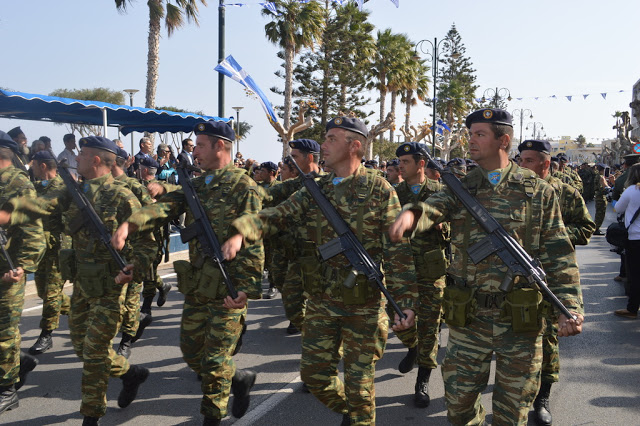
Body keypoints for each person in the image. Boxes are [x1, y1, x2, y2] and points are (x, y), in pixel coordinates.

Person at [389, 108, 584, 426]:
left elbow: (559, 256)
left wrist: (569, 307)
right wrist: (412, 215)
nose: (471, 141)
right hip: (469, 321)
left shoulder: (538, 192)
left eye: (479, 134)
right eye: (470, 135)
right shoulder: (461, 189)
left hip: (520, 323)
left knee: (512, 413)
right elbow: (433, 207)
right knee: (460, 408)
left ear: (503, 140)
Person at [221, 116, 417, 425]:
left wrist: (404, 302)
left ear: (355, 146)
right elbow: (276, 215)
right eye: (324, 138)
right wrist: (241, 230)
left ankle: (359, 416)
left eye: (331, 139)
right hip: (322, 300)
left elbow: (398, 252)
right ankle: (355, 414)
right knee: (314, 377)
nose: (323, 145)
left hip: (364, 305)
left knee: (360, 385)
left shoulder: (379, 189)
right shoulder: (315, 188)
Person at [111, 121, 263, 425]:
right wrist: (130, 224)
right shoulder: (196, 185)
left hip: (228, 287)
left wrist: (247, 287)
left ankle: (212, 417)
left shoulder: (243, 186)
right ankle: (240, 378)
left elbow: (255, 233)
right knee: (193, 353)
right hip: (198, 286)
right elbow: (162, 209)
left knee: (216, 362)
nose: (195, 152)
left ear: (220, 146)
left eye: (201, 146)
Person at [0, 136, 155, 425]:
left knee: (94, 354)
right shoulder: (71, 192)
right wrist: (9, 212)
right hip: (81, 285)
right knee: (84, 349)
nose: (76, 158)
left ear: (95, 160)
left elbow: (148, 242)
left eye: (81, 154)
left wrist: (134, 266)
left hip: (111, 286)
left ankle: (91, 416)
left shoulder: (122, 196)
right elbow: (40, 205)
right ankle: (131, 373)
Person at [518, 139, 595, 425]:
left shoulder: (566, 193)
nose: (522, 165)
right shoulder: (516, 191)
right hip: (519, 277)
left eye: (528, 160)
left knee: (549, 339)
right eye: (520, 159)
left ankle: (543, 398)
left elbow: (587, 228)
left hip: (554, 274)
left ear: (545, 163)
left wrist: (555, 236)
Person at [394, 142, 449, 408]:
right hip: (401, 269)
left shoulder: (439, 192)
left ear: (421, 164)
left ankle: (423, 380)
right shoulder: (394, 193)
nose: (400, 167)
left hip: (431, 270)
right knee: (395, 317)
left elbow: (454, 231)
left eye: (405, 162)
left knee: (430, 324)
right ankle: (411, 345)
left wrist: (442, 227)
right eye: (399, 163)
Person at [0, 132, 45, 414]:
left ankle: (6, 389)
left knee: (3, 331)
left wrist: (22, 267)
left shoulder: (17, 182)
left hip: (8, 268)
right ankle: (19, 363)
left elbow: (33, 228)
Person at [111, 147, 156, 358]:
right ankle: (135, 323)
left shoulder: (133, 187)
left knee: (128, 301)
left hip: (130, 250)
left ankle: (126, 340)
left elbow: (149, 214)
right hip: (107, 254)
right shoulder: (99, 187)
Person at [28, 151, 71, 356]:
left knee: (52, 292)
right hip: (39, 248)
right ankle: (78, 309)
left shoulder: (62, 188)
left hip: (57, 249)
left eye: (34, 164)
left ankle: (46, 334)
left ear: (43, 165)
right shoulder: (36, 187)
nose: (31, 166)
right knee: (42, 291)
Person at [613, 163, 640, 320]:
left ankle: (632, 309)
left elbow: (618, 208)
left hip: (635, 238)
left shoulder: (631, 190)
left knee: (635, 275)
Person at [593, 163, 610, 235]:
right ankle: (596, 228)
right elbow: (601, 188)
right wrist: (607, 188)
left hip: (599, 197)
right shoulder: (600, 177)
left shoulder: (599, 176)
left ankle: (596, 227)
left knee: (599, 213)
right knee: (600, 214)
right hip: (600, 197)